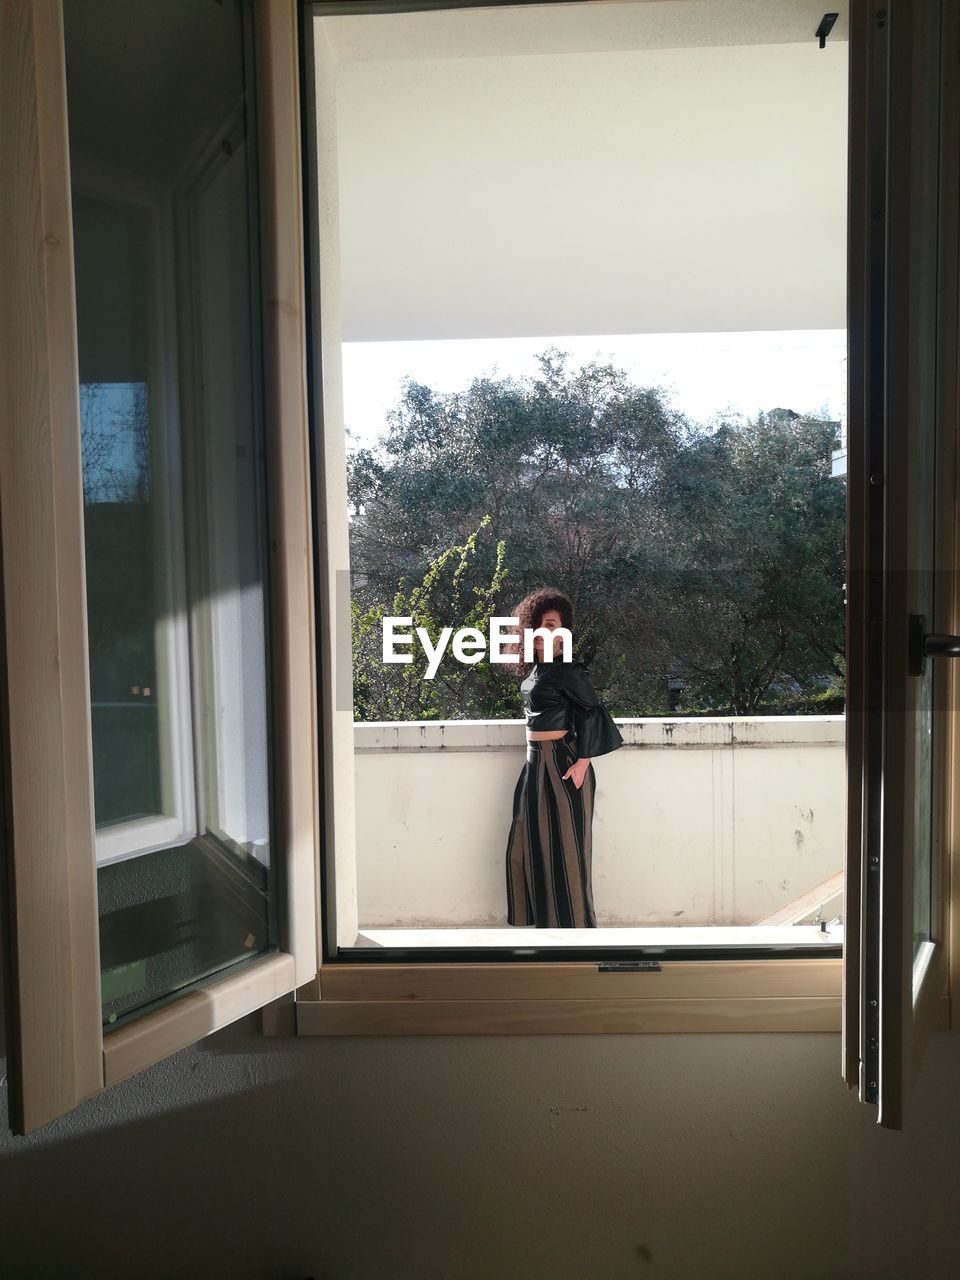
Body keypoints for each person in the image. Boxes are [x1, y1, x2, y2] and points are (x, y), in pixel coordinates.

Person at [504, 587, 623, 928]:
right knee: (527, 842)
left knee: (567, 849)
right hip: (534, 764)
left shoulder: (568, 670)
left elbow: (593, 713)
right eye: (540, 624)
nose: (546, 631)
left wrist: (583, 761)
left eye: (554, 625)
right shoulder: (535, 673)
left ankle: (575, 930)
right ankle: (543, 925)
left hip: (564, 764)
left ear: (564, 634)